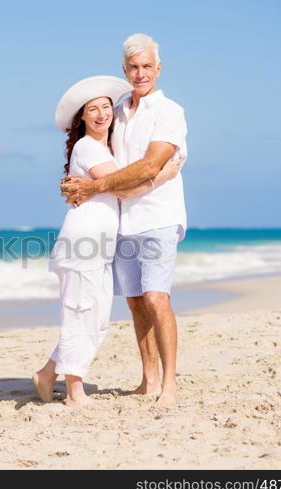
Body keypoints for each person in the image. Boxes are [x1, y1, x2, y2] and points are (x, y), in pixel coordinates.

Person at [32, 75, 181, 407]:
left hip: (99, 245)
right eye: (92, 110)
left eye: (105, 108)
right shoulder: (88, 148)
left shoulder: (105, 150)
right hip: (83, 241)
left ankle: (47, 373)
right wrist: (162, 175)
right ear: (82, 118)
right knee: (79, 313)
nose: (101, 114)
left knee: (95, 319)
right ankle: (74, 391)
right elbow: (125, 188)